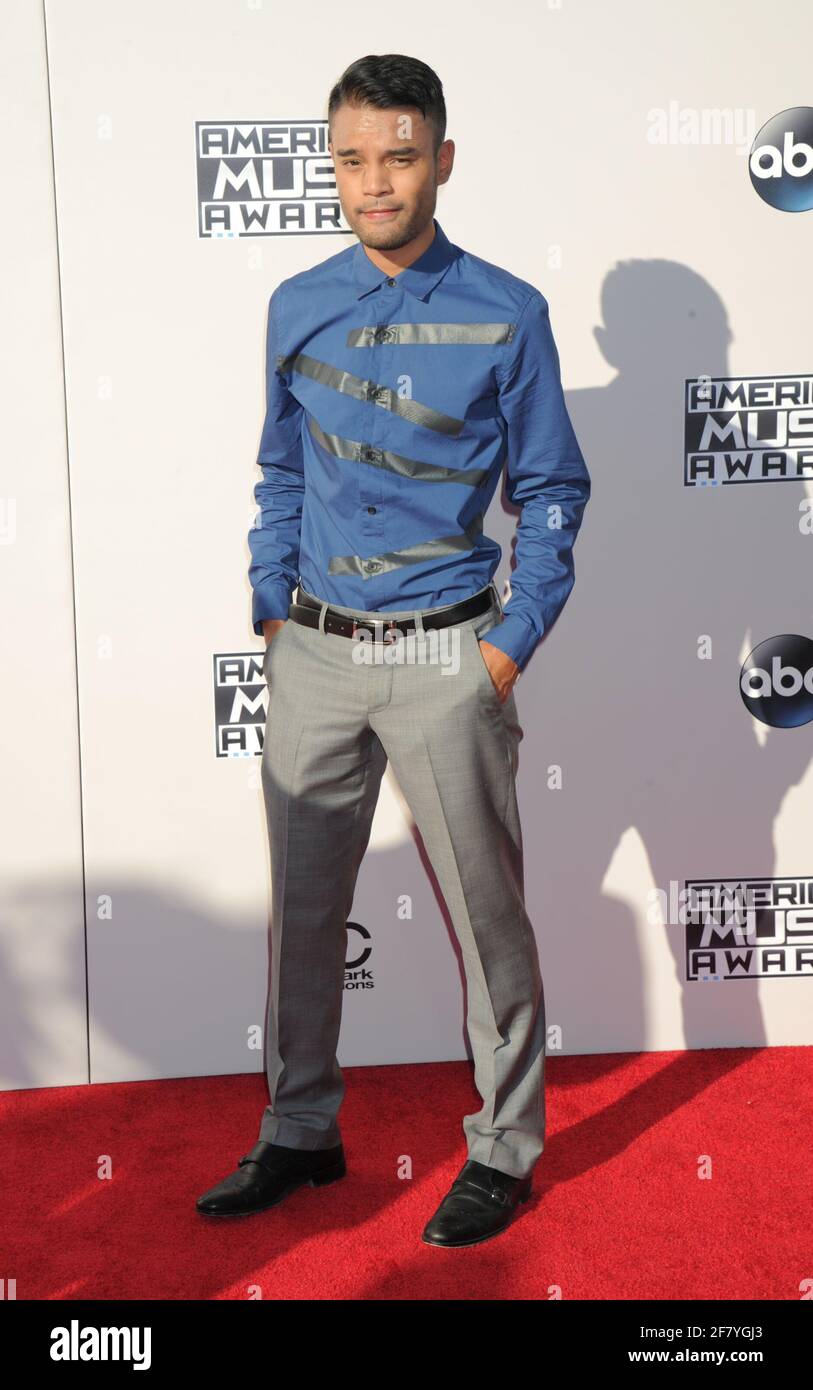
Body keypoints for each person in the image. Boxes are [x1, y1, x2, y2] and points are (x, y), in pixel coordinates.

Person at [197, 52, 590, 1247]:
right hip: (312, 651)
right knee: (305, 913)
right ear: (334, 164)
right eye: (355, 159)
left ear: (443, 161)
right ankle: (302, 1130)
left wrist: (509, 645)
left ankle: (506, 1146)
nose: (376, 183)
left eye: (400, 156)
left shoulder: (507, 311)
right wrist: (272, 602)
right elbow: (277, 468)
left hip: (448, 659)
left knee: (487, 918)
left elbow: (555, 494)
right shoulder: (295, 302)